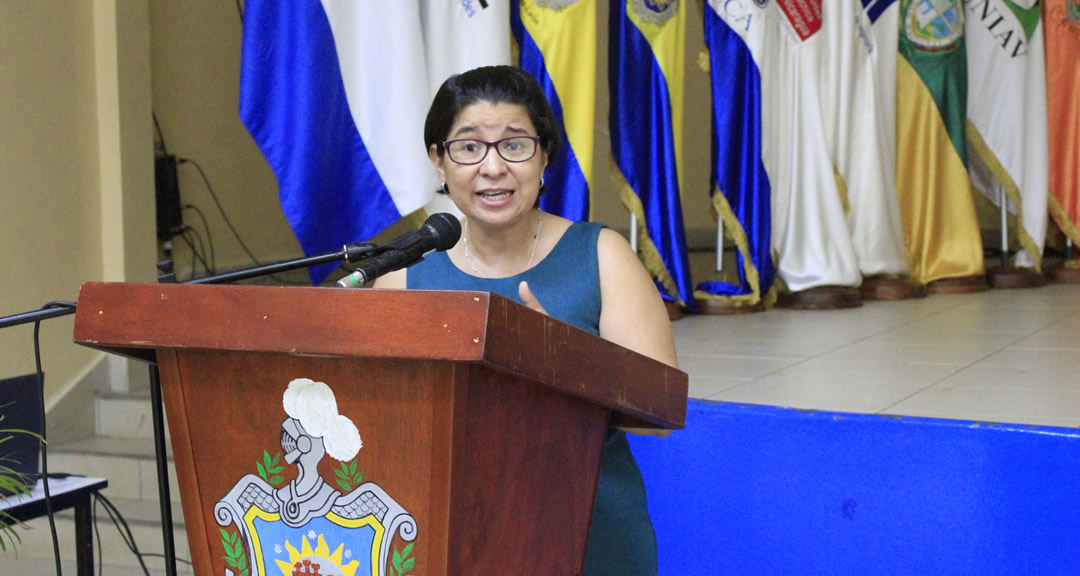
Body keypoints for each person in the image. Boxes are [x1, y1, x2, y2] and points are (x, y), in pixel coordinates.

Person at [374, 65, 678, 575]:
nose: (492, 167)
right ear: (439, 161)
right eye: (468, 147)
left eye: (515, 145)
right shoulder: (402, 277)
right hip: (452, 527)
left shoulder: (601, 256)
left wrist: (564, 363)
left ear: (543, 159)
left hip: (588, 523)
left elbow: (660, 415)